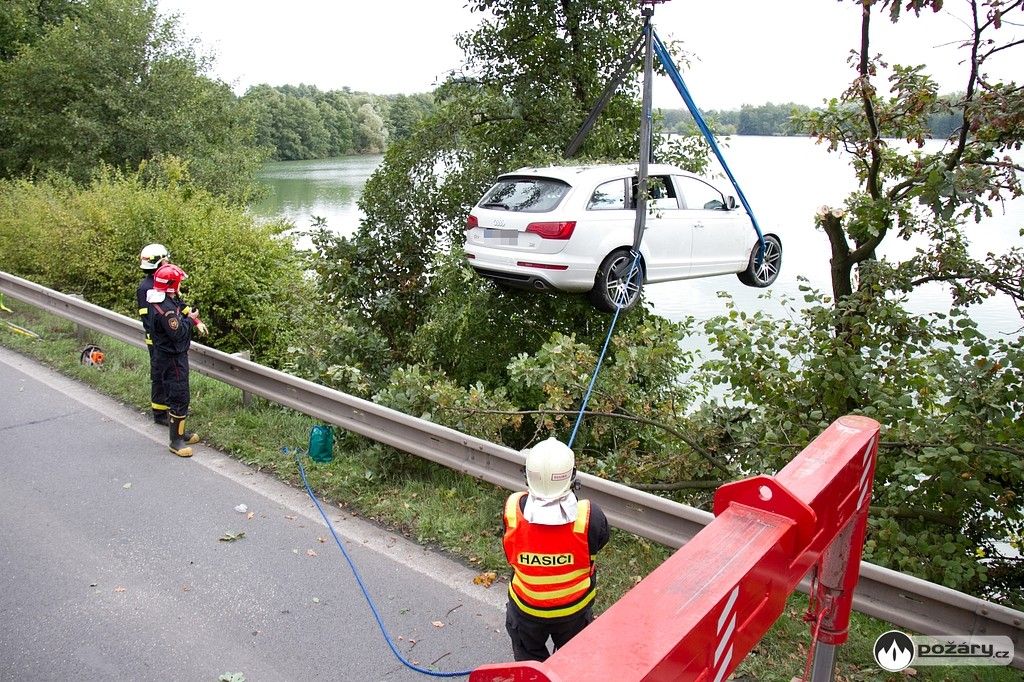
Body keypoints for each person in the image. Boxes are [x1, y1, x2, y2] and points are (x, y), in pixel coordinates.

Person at [501, 437, 610, 662]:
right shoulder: (590, 516)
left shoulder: (513, 508)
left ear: (528, 476)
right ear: (572, 476)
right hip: (574, 612)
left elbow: (510, 550)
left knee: (530, 664)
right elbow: (600, 541)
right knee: (572, 665)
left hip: (526, 611)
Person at [147, 263, 201, 457]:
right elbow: (177, 332)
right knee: (179, 395)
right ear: (172, 285)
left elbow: (179, 308)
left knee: (177, 394)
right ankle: (175, 441)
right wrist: (190, 322)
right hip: (172, 358)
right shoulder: (166, 311)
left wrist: (190, 317)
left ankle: (180, 432)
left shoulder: (162, 300)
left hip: (168, 355)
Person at [137, 243, 171, 425]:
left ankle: (167, 406)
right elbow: (149, 320)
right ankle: (159, 413)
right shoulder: (146, 288)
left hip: (162, 338)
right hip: (157, 340)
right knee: (159, 373)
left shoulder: (159, 283)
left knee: (167, 373)